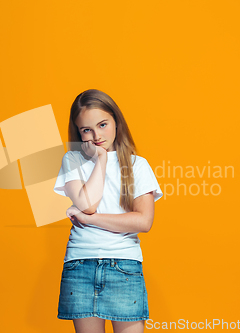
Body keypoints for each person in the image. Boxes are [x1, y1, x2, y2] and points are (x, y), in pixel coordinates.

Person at [53, 89, 163, 333]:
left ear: (116, 121)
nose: (96, 135)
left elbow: (143, 221)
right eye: (86, 130)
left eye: (102, 125)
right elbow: (88, 204)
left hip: (124, 265)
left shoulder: (137, 164)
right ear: (78, 131)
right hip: (80, 264)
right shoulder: (72, 160)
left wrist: (88, 219)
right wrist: (101, 159)